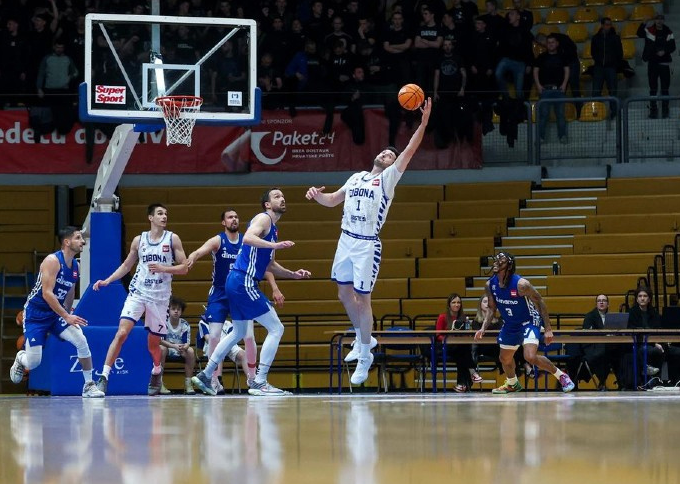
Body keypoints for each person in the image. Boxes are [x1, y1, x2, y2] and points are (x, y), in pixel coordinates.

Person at [305, 98, 432, 386]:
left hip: (366, 244)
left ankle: (365, 354)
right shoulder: (356, 177)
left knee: (363, 300)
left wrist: (423, 123)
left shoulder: (387, 180)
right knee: (342, 294)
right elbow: (332, 201)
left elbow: (409, 151)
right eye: (384, 152)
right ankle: (366, 339)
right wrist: (316, 196)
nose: (386, 155)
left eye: (390, 155)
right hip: (345, 240)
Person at [191, 189, 312, 396]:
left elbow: (271, 265)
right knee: (276, 328)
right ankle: (259, 381)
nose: (282, 198)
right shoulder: (263, 219)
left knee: (238, 332)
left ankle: (206, 374)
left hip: (236, 281)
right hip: (243, 281)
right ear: (267, 204)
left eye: (283, 196)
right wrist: (275, 244)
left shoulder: (273, 230)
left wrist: (293, 275)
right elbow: (247, 237)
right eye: (276, 196)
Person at [92, 204, 189, 396]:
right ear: (150, 218)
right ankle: (103, 377)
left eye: (166, 214)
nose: (164, 217)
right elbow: (127, 265)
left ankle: (156, 370)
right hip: (138, 292)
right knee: (121, 333)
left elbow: (184, 267)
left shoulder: (172, 239)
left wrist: (164, 268)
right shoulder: (139, 240)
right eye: (160, 213)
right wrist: (108, 280)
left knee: (153, 345)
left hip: (160, 298)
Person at [8, 226, 103, 398]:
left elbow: (70, 291)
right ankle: (21, 358)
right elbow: (47, 293)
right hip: (36, 314)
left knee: (81, 340)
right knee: (34, 362)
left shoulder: (76, 266)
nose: (83, 241)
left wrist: (66, 313)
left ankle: (89, 385)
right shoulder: (52, 261)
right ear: (67, 242)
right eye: (78, 238)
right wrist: (66, 315)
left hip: (55, 314)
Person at [183, 208, 269, 394]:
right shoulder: (218, 240)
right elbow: (200, 251)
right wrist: (192, 257)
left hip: (240, 291)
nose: (234, 219)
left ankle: (253, 378)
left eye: (237, 217)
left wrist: (275, 287)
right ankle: (213, 379)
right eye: (230, 217)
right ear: (224, 222)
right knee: (214, 335)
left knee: (249, 336)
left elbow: (264, 265)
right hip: (220, 293)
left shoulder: (247, 241)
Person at [474, 251, 575, 394]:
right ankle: (512, 383)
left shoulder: (522, 284)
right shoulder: (490, 284)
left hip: (529, 321)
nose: (496, 263)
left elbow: (539, 301)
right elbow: (491, 308)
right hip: (510, 323)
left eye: (500, 261)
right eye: (495, 260)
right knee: (504, 358)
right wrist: (483, 328)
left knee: (530, 356)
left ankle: (561, 376)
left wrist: (547, 328)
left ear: (509, 265)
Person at [623, 288, 680, 387]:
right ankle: (656, 378)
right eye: (640, 296)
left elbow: (659, 330)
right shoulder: (631, 313)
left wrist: (660, 343)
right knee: (656, 351)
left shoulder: (654, 313)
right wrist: (654, 343)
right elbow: (634, 332)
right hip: (641, 345)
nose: (642, 298)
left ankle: (673, 380)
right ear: (637, 299)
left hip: (658, 343)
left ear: (649, 299)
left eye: (645, 296)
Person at [437, 293, 481, 392]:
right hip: (447, 346)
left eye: (458, 302)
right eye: (454, 302)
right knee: (463, 349)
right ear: (449, 304)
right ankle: (472, 371)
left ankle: (461, 385)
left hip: (459, 347)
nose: (456, 305)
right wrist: (447, 339)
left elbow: (466, 335)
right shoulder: (442, 317)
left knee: (461, 351)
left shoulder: (463, 317)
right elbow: (438, 335)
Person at [534, 34, 571, 144]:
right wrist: (538, 86)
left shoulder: (562, 56)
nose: (550, 44)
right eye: (548, 42)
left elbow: (567, 71)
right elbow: (535, 71)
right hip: (545, 90)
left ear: (557, 44)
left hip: (559, 90)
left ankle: (562, 136)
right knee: (543, 115)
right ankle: (540, 137)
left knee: (560, 114)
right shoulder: (541, 57)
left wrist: (564, 84)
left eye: (552, 42)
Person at [578, 293, 619, 389]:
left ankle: (622, 382)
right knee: (602, 353)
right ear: (596, 304)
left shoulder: (613, 317)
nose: (601, 302)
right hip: (592, 346)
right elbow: (588, 334)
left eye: (604, 300)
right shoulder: (590, 316)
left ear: (608, 304)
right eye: (599, 300)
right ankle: (602, 381)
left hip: (608, 345)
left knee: (621, 353)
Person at [637, 15, 675, 119]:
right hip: (652, 63)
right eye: (657, 19)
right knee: (653, 89)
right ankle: (653, 111)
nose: (659, 21)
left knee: (665, 89)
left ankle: (665, 111)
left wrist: (664, 51)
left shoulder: (668, 31)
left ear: (663, 20)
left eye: (661, 19)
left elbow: (673, 46)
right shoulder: (649, 30)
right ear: (655, 20)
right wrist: (644, 22)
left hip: (664, 63)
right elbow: (639, 33)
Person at [160, 296, 196, 395]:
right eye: (173, 309)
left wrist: (184, 347)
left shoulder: (185, 324)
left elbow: (187, 343)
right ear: (169, 310)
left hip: (180, 349)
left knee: (191, 351)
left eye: (178, 309)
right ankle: (159, 383)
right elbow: (160, 341)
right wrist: (173, 346)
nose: (176, 311)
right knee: (161, 349)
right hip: (167, 348)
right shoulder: (164, 323)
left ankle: (188, 384)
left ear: (181, 311)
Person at [590, 18, 622, 100]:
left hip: (611, 67)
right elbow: (593, 52)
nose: (609, 27)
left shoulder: (615, 38)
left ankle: (615, 112)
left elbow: (619, 53)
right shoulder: (595, 38)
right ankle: (597, 112)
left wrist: (614, 64)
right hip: (599, 67)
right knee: (596, 92)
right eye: (607, 25)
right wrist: (598, 60)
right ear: (602, 25)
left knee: (613, 92)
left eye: (610, 25)